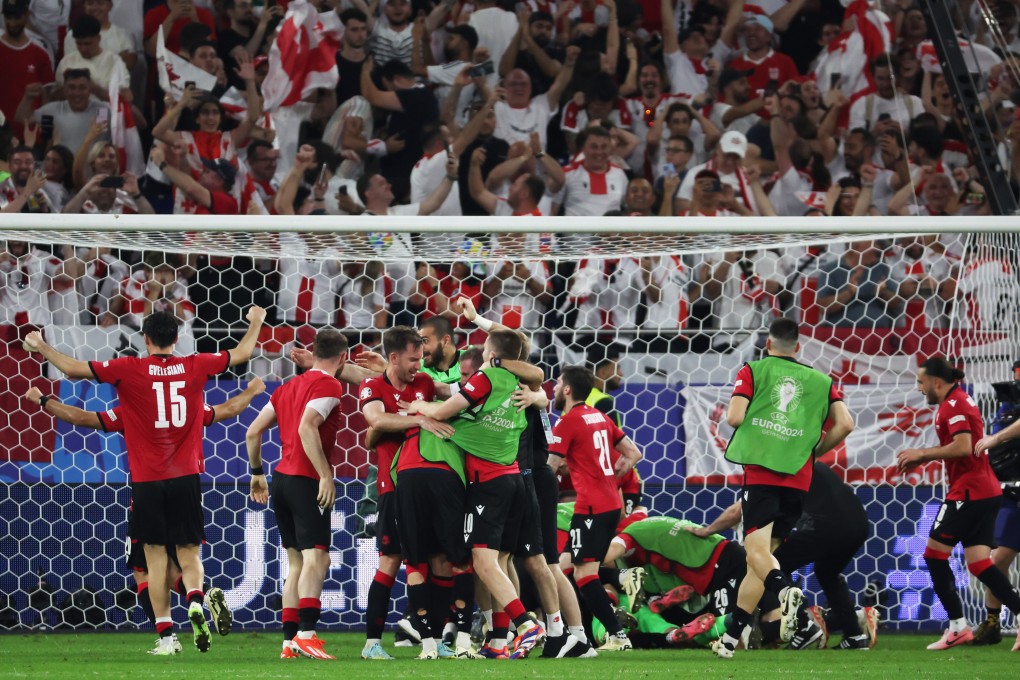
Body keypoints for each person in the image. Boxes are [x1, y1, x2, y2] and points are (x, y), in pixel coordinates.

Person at [24, 306, 266, 655]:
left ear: (146, 339)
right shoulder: (195, 365)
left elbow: (77, 390)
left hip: (147, 483)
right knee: (188, 552)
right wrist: (256, 324)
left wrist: (42, 353)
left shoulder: (129, 373)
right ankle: (196, 599)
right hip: (186, 477)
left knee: (152, 563)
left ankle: (167, 638)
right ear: (178, 338)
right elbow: (241, 361)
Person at [713, 317, 854, 659]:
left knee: (756, 554)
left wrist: (764, 432)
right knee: (759, 562)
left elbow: (733, 417)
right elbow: (846, 423)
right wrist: (810, 453)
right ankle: (731, 639)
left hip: (763, 475)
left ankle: (788, 594)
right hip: (798, 479)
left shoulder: (753, 370)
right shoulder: (822, 380)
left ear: (768, 345)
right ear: (798, 346)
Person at [407, 331, 547, 659]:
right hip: (512, 480)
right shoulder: (516, 383)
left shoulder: (488, 377)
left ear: (492, 352)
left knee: (482, 563)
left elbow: (445, 411)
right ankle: (498, 641)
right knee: (495, 562)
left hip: (490, 483)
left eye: (486, 350)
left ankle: (526, 624)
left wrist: (420, 406)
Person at [896, 357, 1020, 652]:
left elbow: (964, 446)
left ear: (936, 382)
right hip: (986, 490)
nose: (919, 388)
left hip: (970, 492)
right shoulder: (957, 400)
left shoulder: (954, 405)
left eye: (921, 382)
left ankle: (957, 626)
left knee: (933, 555)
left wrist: (921, 454)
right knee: (979, 564)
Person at [246, 328, 349, 661]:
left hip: (280, 480)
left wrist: (257, 474)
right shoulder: (329, 384)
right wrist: (325, 475)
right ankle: (307, 632)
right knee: (317, 557)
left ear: (314, 353)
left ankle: (289, 641)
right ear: (343, 358)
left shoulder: (288, 386)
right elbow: (308, 426)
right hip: (306, 481)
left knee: (296, 562)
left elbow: (252, 433)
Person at [695, 462, 877, 650]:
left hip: (826, 527)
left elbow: (737, 511)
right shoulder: (809, 463)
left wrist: (707, 531)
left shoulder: (779, 468)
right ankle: (854, 635)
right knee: (827, 574)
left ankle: (805, 626)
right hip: (859, 525)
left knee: (772, 566)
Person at [357, 327, 454, 660]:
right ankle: (372, 643)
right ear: (394, 358)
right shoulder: (372, 386)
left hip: (426, 487)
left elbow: (454, 394)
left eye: (422, 358)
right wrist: (418, 418)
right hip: (393, 487)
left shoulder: (423, 384)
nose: (420, 365)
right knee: (390, 560)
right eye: (413, 359)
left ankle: (437, 638)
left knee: (437, 559)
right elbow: (375, 419)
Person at [547, 365, 642, 651]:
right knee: (565, 566)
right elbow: (634, 453)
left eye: (558, 383)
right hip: (609, 502)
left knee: (584, 574)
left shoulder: (567, 422)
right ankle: (579, 629)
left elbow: (549, 468)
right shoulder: (599, 416)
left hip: (590, 507)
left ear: (567, 389)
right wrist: (611, 473)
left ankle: (616, 636)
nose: (553, 388)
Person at [974, 382, 1020, 645]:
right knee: (997, 559)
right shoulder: (1007, 407)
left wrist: (998, 438)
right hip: (1012, 492)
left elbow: (997, 437)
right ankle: (993, 622)